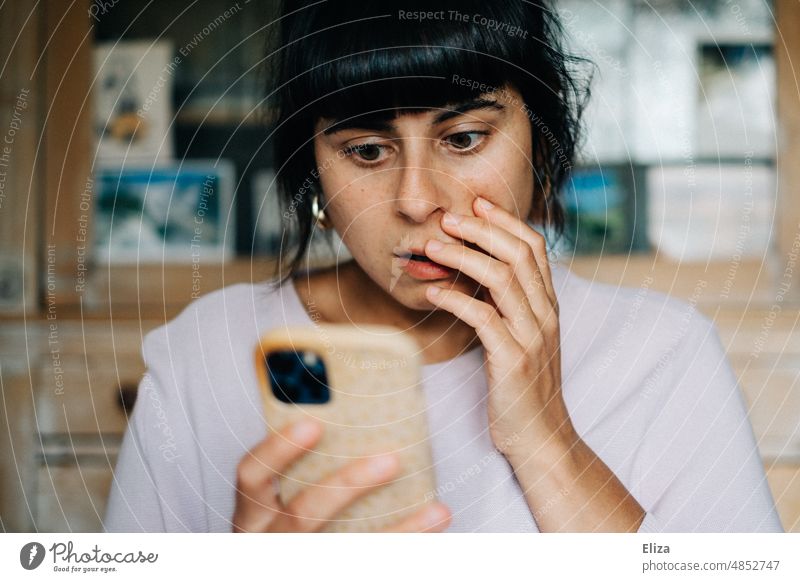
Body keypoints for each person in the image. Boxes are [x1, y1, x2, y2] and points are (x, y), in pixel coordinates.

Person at [104, 0, 783, 533]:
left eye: (463, 138)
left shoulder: (665, 355)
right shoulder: (206, 358)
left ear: (539, 146)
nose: (416, 200)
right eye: (367, 151)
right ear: (312, 169)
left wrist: (547, 438)